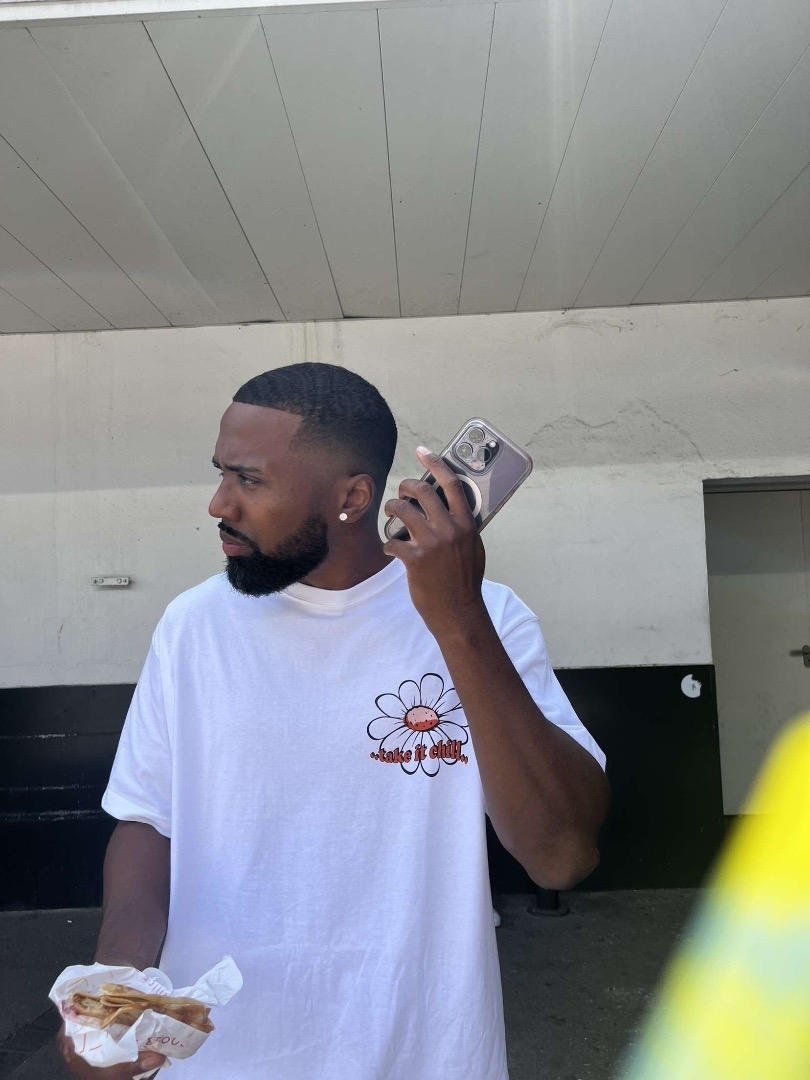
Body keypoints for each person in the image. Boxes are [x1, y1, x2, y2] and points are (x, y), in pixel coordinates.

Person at [59, 362, 608, 1080]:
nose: (218, 503)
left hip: (427, 1056)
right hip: (225, 1059)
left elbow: (561, 856)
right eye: (221, 473)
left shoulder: (488, 618)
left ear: (352, 497)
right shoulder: (193, 626)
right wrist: (113, 989)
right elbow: (148, 821)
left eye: (248, 480)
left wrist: (458, 620)